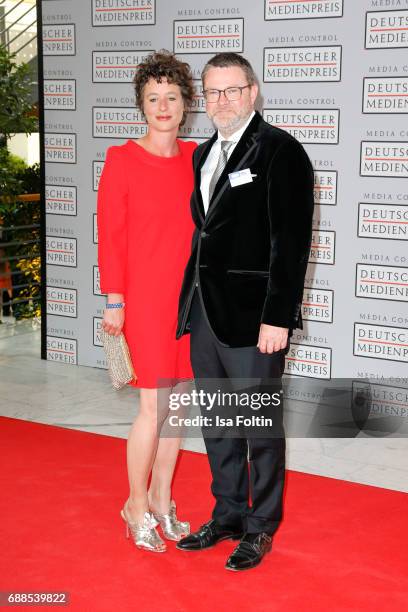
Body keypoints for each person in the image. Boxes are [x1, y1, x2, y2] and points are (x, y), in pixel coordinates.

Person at [176, 52, 314, 570]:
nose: (221, 101)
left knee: (258, 426)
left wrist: (278, 316)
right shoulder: (203, 154)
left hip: (256, 319)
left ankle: (261, 526)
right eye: (212, 92)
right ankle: (229, 512)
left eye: (231, 90)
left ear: (252, 92)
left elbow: (291, 242)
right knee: (218, 422)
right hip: (206, 315)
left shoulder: (281, 151)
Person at [97, 51, 196, 553]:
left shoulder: (198, 158)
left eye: (172, 97)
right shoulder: (121, 159)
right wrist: (114, 300)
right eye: (153, 97)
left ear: (185, 105)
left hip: (188, 302)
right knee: (153, 406)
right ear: (141, 104)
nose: (163, 106)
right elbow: (110, 235)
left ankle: (161, 499)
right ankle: (134, 504)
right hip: (144, 302)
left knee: (177, 407)